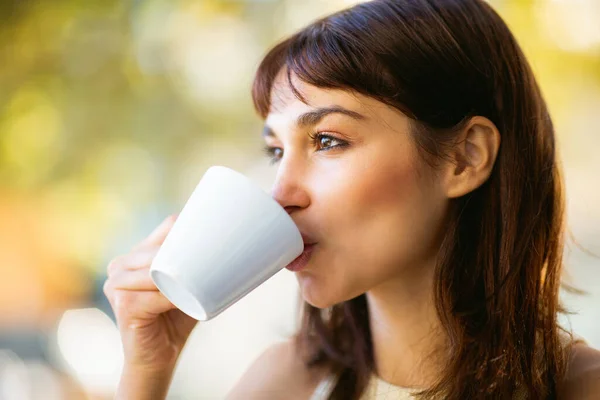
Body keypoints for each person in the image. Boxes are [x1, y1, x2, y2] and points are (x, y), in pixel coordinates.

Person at [103, 0, 600, 399]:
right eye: (275, 150)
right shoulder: (284, 383)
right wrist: (146, 372)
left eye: (327, 141)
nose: (280, 193)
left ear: (465, 159)